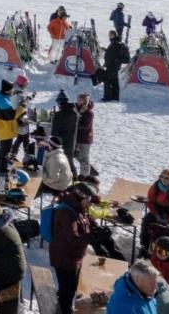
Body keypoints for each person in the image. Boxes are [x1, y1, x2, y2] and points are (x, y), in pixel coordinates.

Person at [51, 183, 96, 314]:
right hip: (64, 257)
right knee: (67, 290)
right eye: (89, 200)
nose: (90, 203)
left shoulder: (78, 207)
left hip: (74, 255)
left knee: (71, 287)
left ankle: (64, 306)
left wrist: (96, 228)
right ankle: (64, 310)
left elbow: (87, 220)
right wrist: (92, 236)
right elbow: (73, 239)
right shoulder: (66, 213)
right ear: (80, 197)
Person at [0, 79, 22, 175]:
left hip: (3, 127)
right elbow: (13, 114)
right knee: (5, 149)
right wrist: (22, 106)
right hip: (5, 128)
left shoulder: (1, 97)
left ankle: (3, 165)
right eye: (11, 89)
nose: (12, 90)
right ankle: (1, 169)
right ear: (7, 90)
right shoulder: (4, 102)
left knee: (5, 148)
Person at [51, 91, 79, 163]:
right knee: (69, 163)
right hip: (72, 142)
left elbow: (54, 132)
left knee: (60, 163)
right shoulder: (74, 113)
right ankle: (73, 174)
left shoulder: (59, 115)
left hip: (61, 143)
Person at [103, 31, 131, 101]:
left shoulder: (114, 44)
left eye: (111, 35)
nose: (109, 36)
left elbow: (111, 55)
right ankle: (115, 97)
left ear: (114, 35)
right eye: (109, 35)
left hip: (112, 65)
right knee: (114, 81)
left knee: (107, 81)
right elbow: (115, 54)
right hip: (116, 65)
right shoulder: (118, 43)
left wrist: (106, 64)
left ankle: (107, 97)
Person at [74, 93, 95, 177]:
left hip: (85, 139)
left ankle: (84, 176)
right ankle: (88, 169)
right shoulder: (75, 109)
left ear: (85, 101)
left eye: (80, 100)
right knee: (74, 154)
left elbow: (86, 126)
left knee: (84, 158)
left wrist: (74, 124)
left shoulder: (89, 113)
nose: (78, 101)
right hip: (76, 137)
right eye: (78, 99)